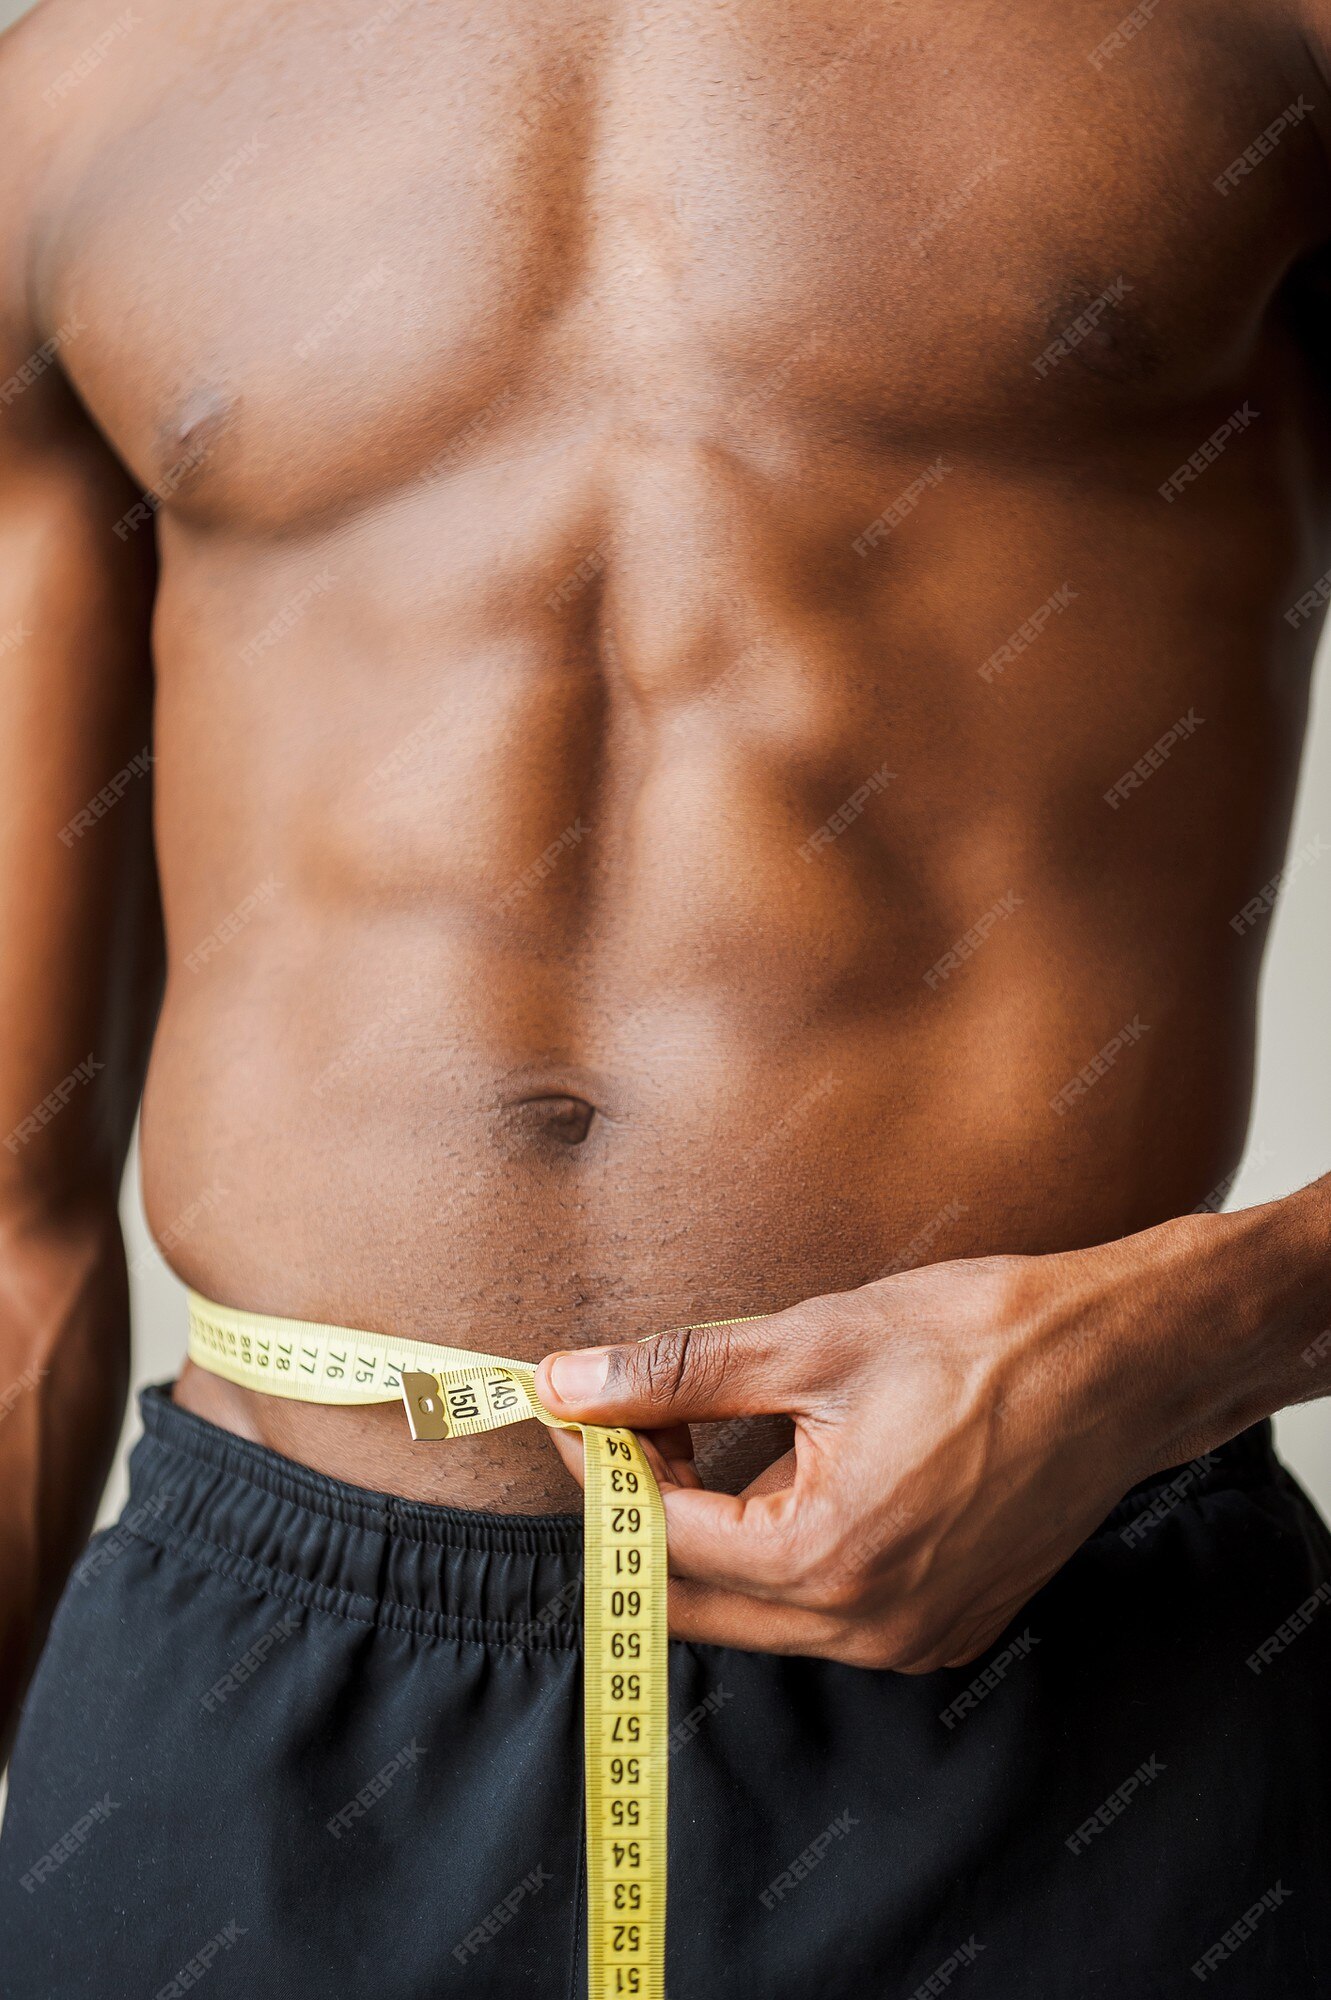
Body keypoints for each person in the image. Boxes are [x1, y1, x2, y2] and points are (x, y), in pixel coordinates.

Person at [1, 0, 1330, 1992]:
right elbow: (11, 1239)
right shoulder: (73, 101)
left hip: (1063, 1673)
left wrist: (1176, 1344)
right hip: (247, 1703)